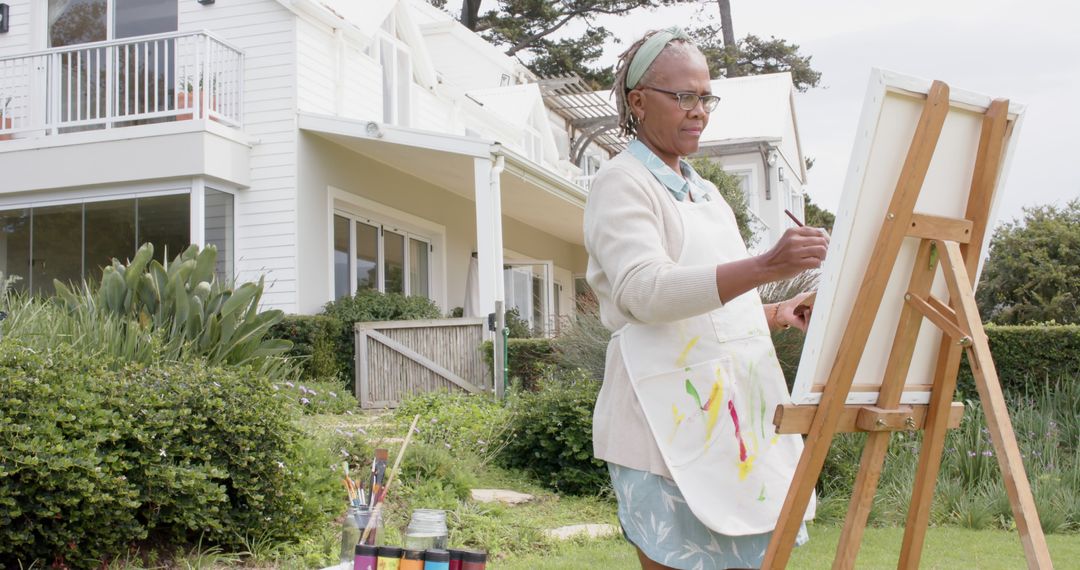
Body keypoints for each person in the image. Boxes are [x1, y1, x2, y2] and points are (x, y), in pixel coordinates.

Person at [584, 27, 830, 570]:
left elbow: (709, 310)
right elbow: (644, 292)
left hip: (732, 419)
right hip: (660, 423)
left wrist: (773, 313)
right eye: (685, 96)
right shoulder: (621, 183)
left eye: (706, 97)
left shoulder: (706, 191)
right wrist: (767, 265)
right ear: (639, 102)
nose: (699, 111)